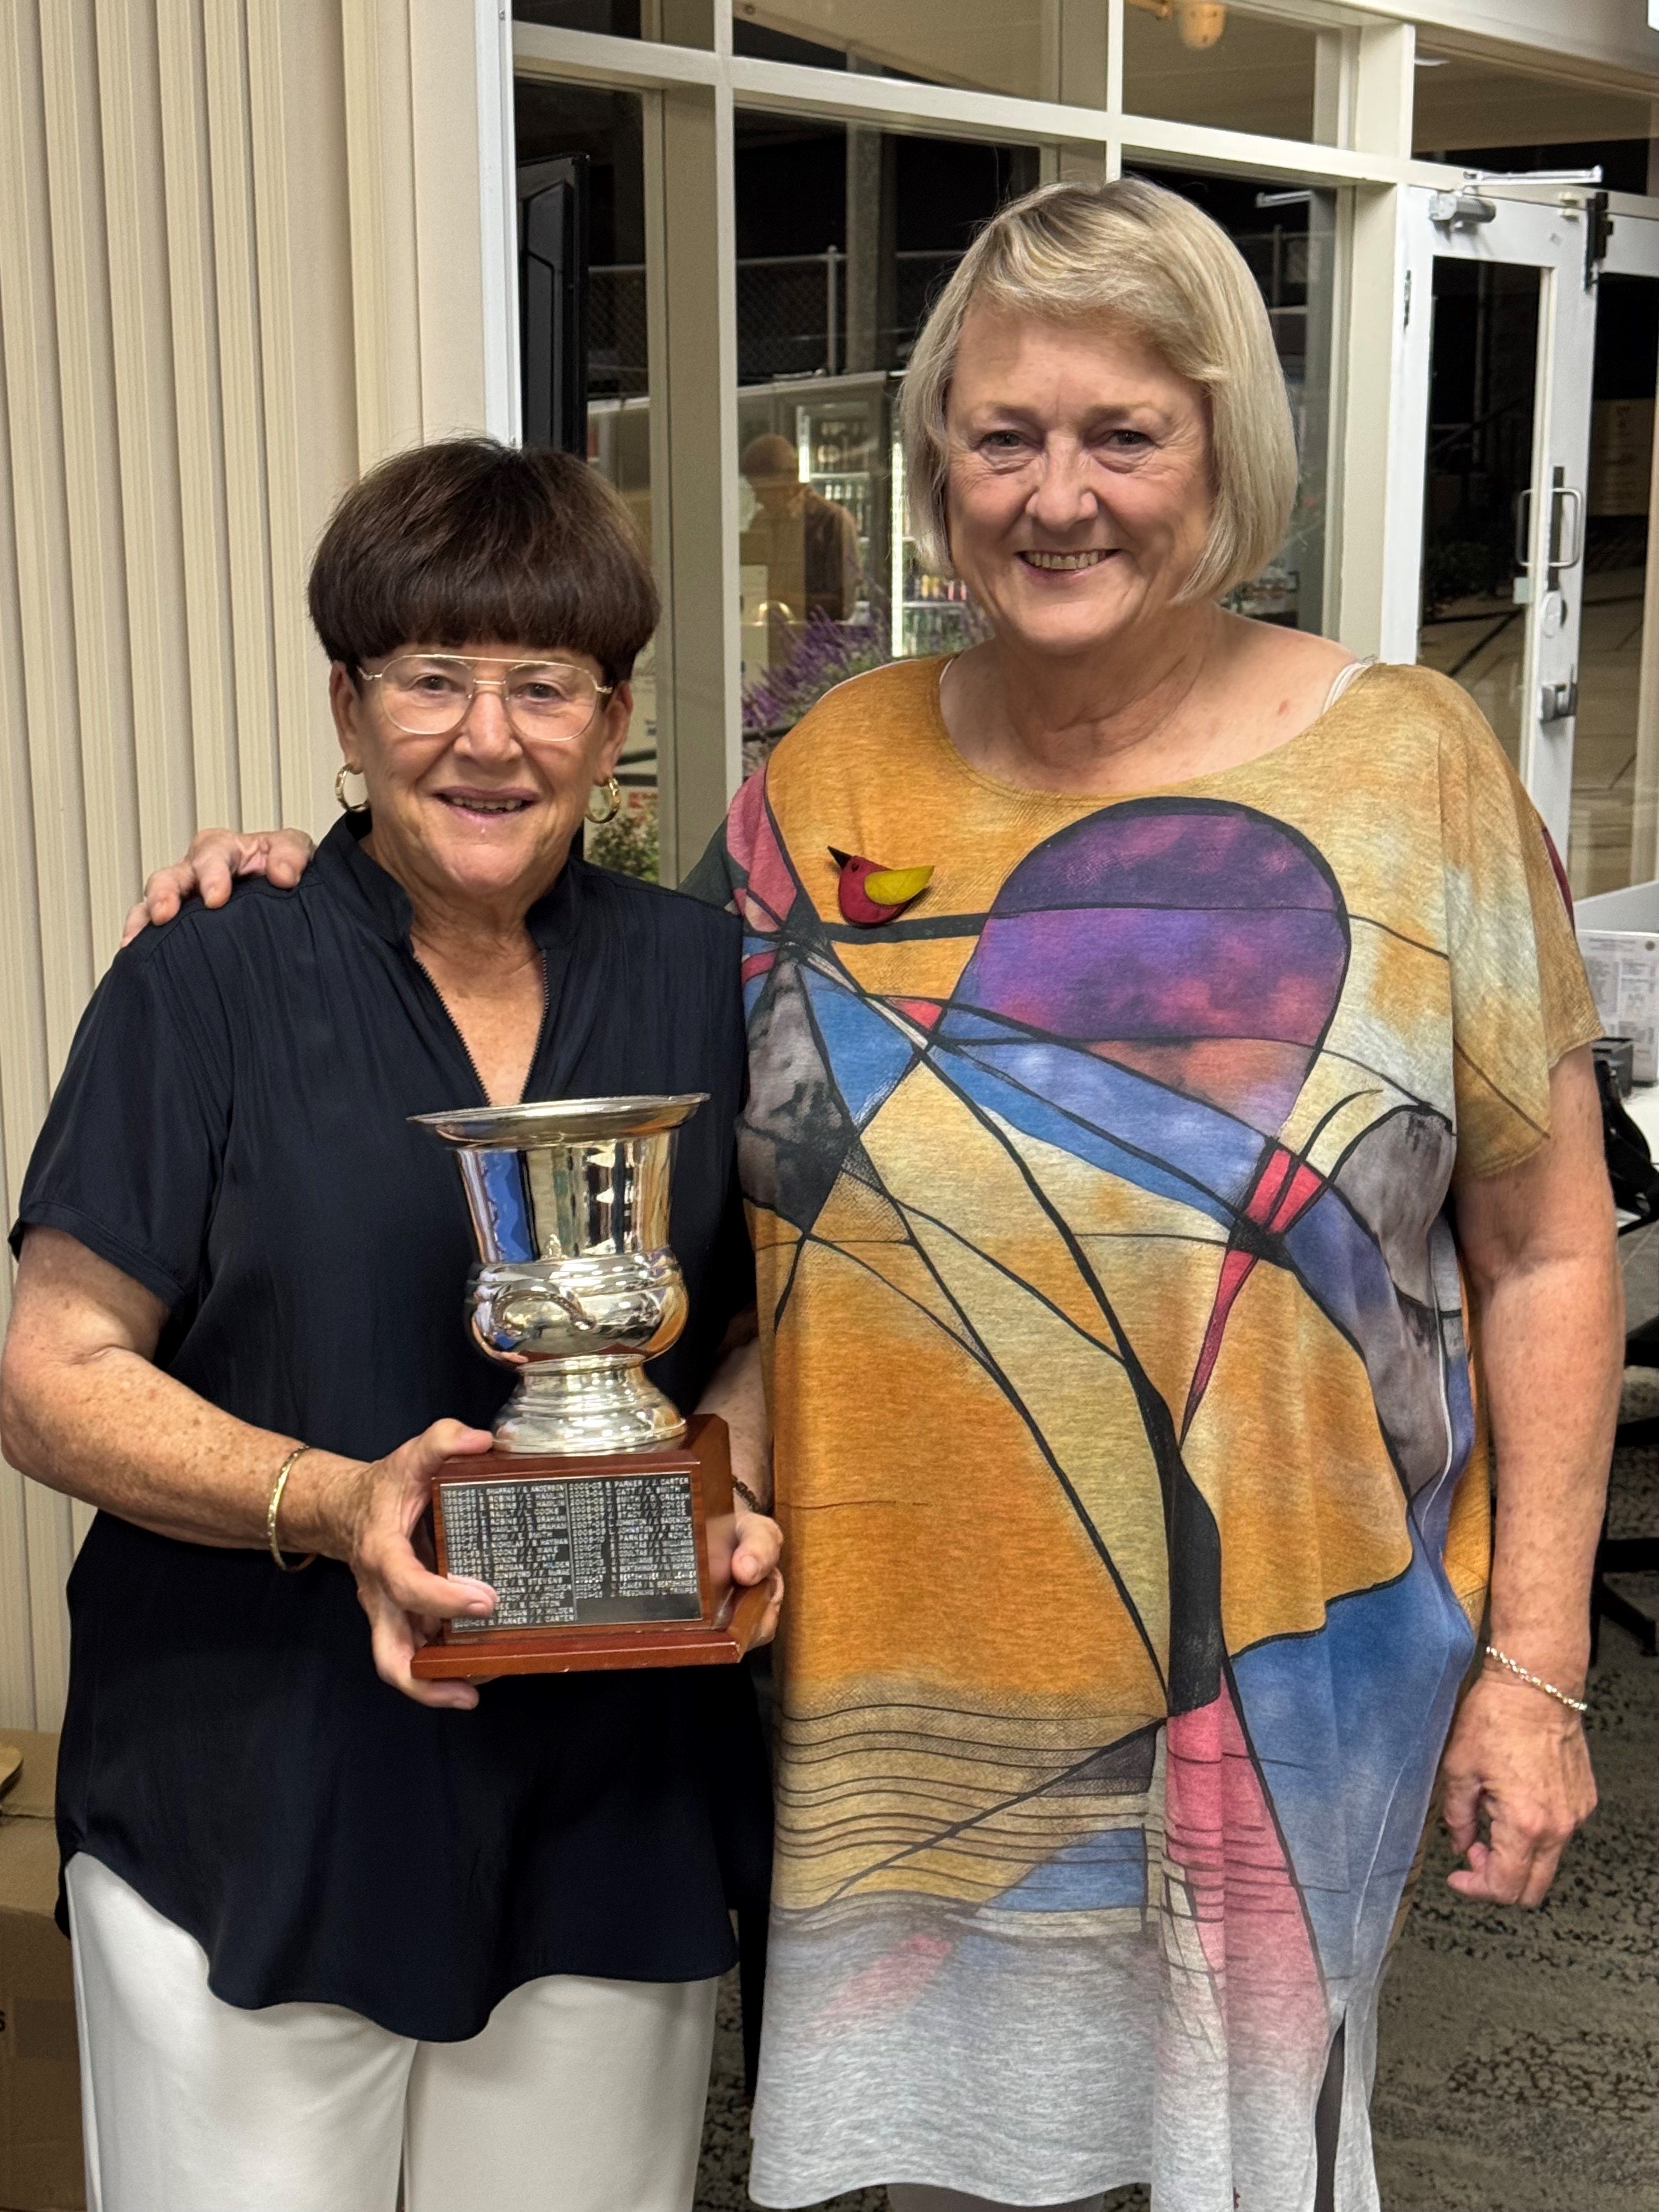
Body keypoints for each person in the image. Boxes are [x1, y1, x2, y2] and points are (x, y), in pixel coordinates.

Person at [128, 181, 1623, 2212]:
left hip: (1271, 1703)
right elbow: (606, 985)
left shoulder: (1413, 770)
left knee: (1234, 2165)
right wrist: (313, 883)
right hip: (888, 1715)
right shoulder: (831, 773)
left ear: (1223, 457)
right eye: (1002, 437)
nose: (1057, 495)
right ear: (932, 475)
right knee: (917, 2175)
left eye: (1122, 434)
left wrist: (1532, 1667)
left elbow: (1541, 1248)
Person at [0, 439, 782, 2212]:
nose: (487, 737)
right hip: (258, 1794)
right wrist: (343, 1502)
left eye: (544, 683)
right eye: (432, 677)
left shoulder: (704, 977)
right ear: (347, 709)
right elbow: (51, 1379)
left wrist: (728, 1487)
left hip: (606, 1794)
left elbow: (759, 1323)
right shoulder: (207, 973)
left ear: (613, 717)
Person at [740, 431, 864, 639]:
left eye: (763, 490)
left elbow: (843, 604)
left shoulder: (832, 522)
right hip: (767, 640)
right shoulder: (761, 521)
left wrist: (781, 600)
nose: (758, 499)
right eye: (754, 490)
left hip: (815, 644)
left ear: (790, 478)